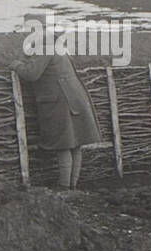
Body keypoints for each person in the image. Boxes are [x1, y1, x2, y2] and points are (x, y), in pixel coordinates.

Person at [10, 51, 102, 189]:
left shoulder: (46, 51)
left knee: (64, 144)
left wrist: (16, 65)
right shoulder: (58, 51)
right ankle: (72, 186)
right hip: (74, 100)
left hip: (61, 102)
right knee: (75, 144)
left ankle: (64, 186)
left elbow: (31, 74)